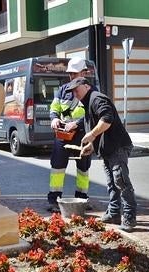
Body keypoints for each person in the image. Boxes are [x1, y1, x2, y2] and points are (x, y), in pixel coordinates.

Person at [66, 77, 137, 232]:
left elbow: (106, 120)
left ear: (86, 86)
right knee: (112, 183)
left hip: (118, 147)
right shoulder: (87, 102)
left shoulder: (96, 98)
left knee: (121, 182)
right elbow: (100, 127)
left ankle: (129, 218)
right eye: (73, 92)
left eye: (76, 90)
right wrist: (91, 146)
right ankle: (113, 213)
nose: (75, 94)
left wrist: (91, 135)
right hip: (107, 149)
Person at [47, 57, 92, 212]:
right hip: (63, 134)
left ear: (84, 72)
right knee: (57, 167)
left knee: (83, 169)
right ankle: (54, 199)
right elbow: (54, 107)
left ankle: (82, 199)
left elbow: (92, 114)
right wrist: (54, 119)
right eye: (70, 74)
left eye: (74, 73)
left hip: (83, 135)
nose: (71, 76)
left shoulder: (91, 91)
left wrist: (77, 123)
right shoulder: (62, 89)